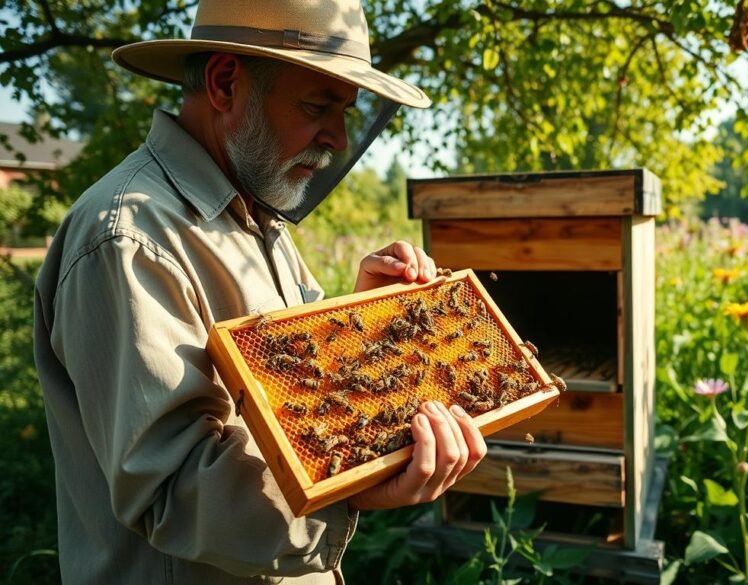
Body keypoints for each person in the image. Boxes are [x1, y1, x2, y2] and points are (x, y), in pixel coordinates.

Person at [32, 1, 487, 583]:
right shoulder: (128, 238)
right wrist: (356, 491)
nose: (339, 139)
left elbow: (297, 401)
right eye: (318, 106)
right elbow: (174, 488)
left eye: (346, 112)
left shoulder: (255, 218)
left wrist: (360, 322)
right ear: (225, 83)